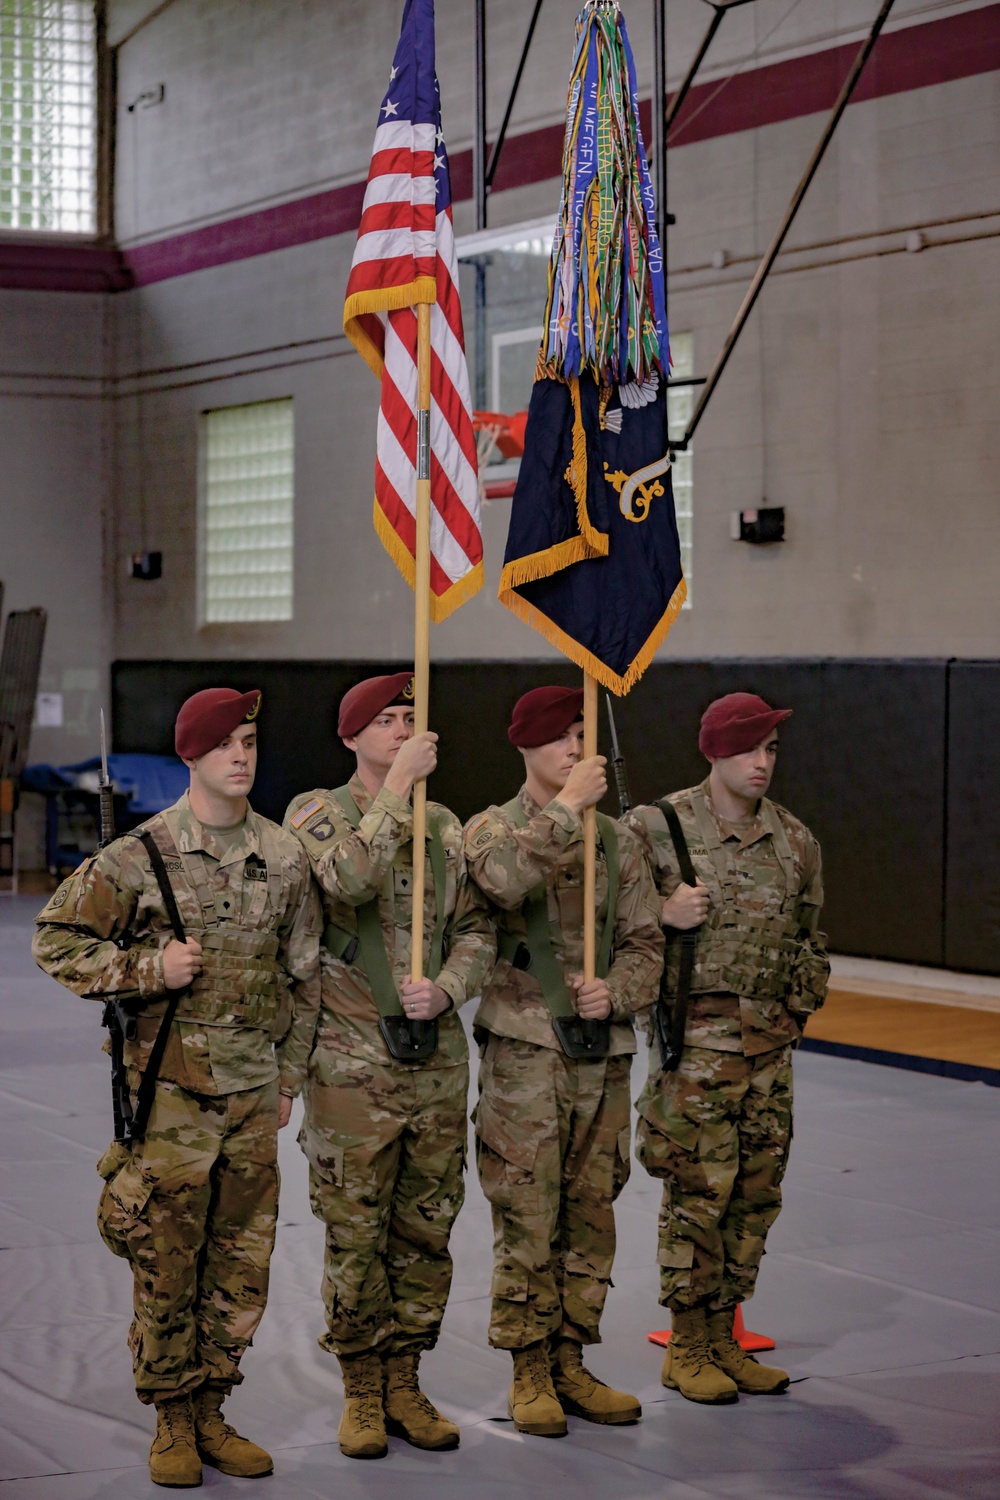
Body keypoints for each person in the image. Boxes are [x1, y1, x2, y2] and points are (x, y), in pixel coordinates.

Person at [32, 687, 321, 1486]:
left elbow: (304, 976)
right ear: (191, 754)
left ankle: (213, 1409)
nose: (242, 755)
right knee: (167, 1257)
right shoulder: (140, 856)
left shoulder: (286, 855)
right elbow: (56, 940)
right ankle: (170, 1418)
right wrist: (146, 969)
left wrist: (290, 1075)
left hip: (256, 1097)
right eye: (225, 743)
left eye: (251, 741)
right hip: (169, 1098)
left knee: (242, 1262)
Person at [279, 672, 495, 1460]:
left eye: (411, 718)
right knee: (355, 1228)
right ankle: (362, 1389)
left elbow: (477, 931)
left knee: (426, 1229)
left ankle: (406, 1378)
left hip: (433, 1060)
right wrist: (392, 792)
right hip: (348, 1064)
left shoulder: (444, 825)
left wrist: (449, 989)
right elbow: (351, 880)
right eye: (386, 721)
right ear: (352, 738)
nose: (403, 730)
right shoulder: (315, 812)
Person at [462, 685, 663, 1438]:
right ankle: (529, 1368)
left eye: (583, 734)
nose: (578, 749)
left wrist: (616, 992)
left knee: (593, 1210)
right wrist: (565, 807)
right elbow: (502, 881)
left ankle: (573, 1357)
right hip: (526, 1050)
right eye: (560, 738)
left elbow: (647, 943)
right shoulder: (492, 829)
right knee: (528, 1210)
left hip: (602, 1050)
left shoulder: (620, 841)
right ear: (527, 748)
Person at [624, 691, 829, 1405]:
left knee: (754, 1196)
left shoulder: (796, 842)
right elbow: (596, 919)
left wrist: (796, 1011)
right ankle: (686, 1345)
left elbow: (811, 939)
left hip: (770, 1050)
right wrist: (661, 911)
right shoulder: (657, 829)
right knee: (697, 1194)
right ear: (714, 751)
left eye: (771, 749)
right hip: (698, 1049)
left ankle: (724, 1337)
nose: (762, 762)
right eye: (748, 749)